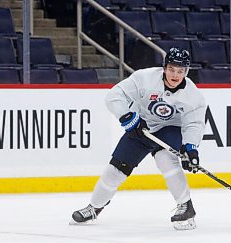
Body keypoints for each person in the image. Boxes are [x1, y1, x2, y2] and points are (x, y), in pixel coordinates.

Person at [71, 47, 206, 231]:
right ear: (164, 67)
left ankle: (186, 206)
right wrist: (128, 117)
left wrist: (190, 148)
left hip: (170, 128)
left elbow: (194, 124)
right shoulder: (144, 78)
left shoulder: (193, 95)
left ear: (186, 72)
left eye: (180, 71)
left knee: (165, 158)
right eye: (172, 69)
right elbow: (113, 97)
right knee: (116, 169)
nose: (175, 75)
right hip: (141, 126)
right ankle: (94, 207)